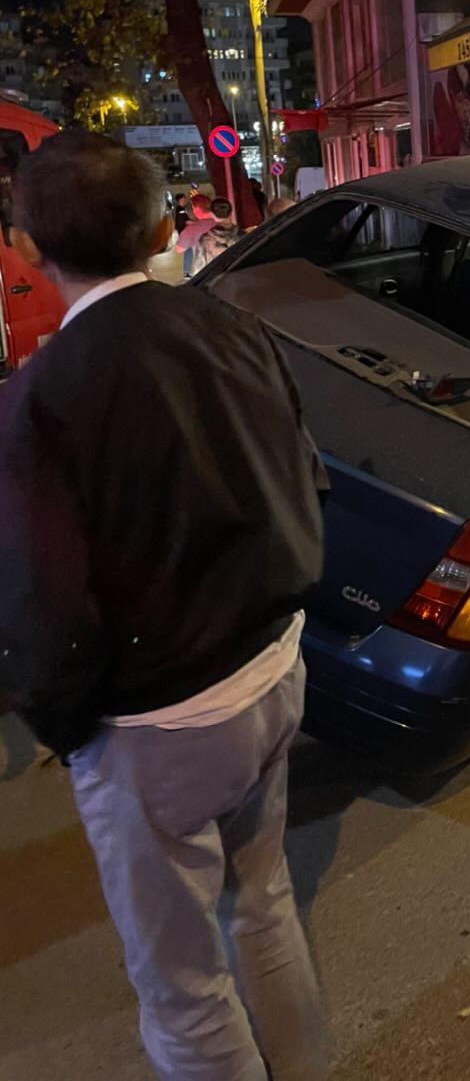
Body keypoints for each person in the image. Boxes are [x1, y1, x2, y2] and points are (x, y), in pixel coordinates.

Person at [0, 132, 330, 1081]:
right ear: (158, 226)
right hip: (274, 672)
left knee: (182, 988)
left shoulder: (40, 402)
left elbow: (38, 604)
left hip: (156, 726)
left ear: (25, 247)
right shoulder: (235, 327)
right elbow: (305, 480)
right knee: (263, 905)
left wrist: (72, 728)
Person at [193, 195, 243, 272]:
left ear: (212, 214)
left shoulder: (205, 240)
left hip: (216, 282)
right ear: (231, 212)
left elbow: (198, 269)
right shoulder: (244, 236)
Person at [174, 190, 216, 277]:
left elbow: (178, 249)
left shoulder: (191, 229)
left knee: (189, 250)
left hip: (204, 274)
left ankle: (187, 271)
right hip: (225, 270)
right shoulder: (222, 222)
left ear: (196, 209)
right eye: (183, 199)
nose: (185, 201)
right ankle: (186, 271)